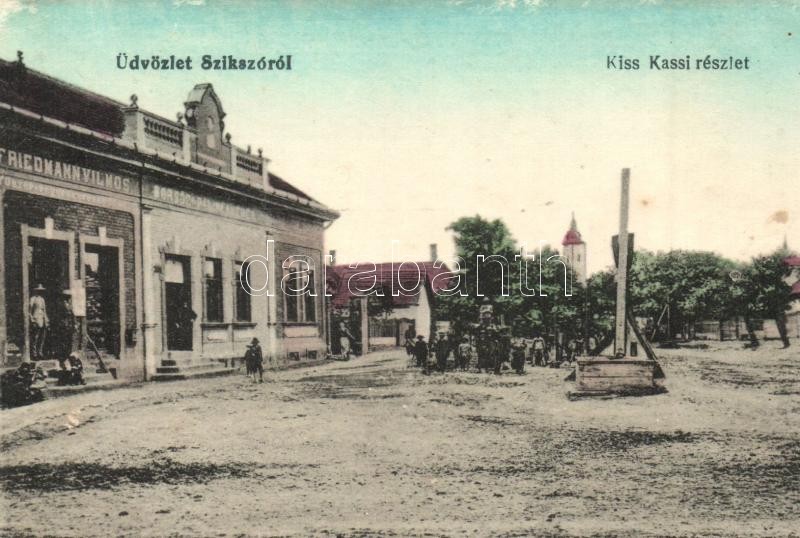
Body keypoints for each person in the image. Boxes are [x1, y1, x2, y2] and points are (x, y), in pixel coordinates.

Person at [29, 284, 49, 360]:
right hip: (36, 319)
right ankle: (34, 354)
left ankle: (40, 352)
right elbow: (29, 311)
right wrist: (32, 320)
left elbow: (44, 310)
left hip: (42, 320)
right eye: (38, 290)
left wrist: (46, 319)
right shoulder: (32, 299)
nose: (40, 292)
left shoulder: (42, 299)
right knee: (35, 337)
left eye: (41, 291)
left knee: (42, 337)